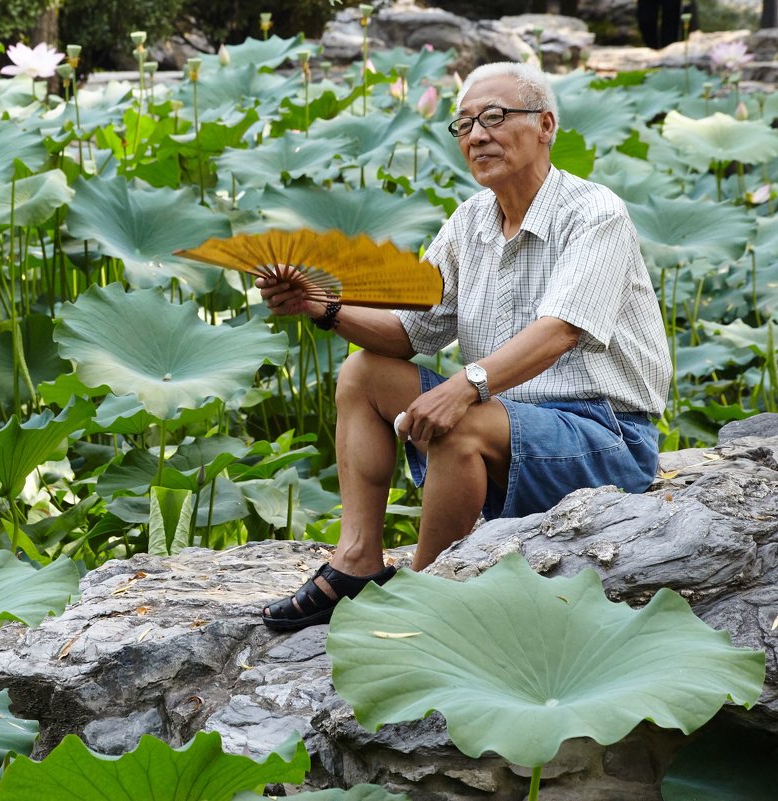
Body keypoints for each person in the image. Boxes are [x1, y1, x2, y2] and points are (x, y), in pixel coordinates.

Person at [256, 61, 671, 631]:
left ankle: (424, 599)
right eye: (465, 124)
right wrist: (322, 308)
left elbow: (561, 330)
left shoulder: (595, 214)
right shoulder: (469, 221)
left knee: (462, 421)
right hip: (509, 417)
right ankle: (357, 560)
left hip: (605, 436)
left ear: (546, 125)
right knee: (363, 373)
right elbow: (409, 333)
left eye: (496, 118)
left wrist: (465, 386)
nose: (477, 135)